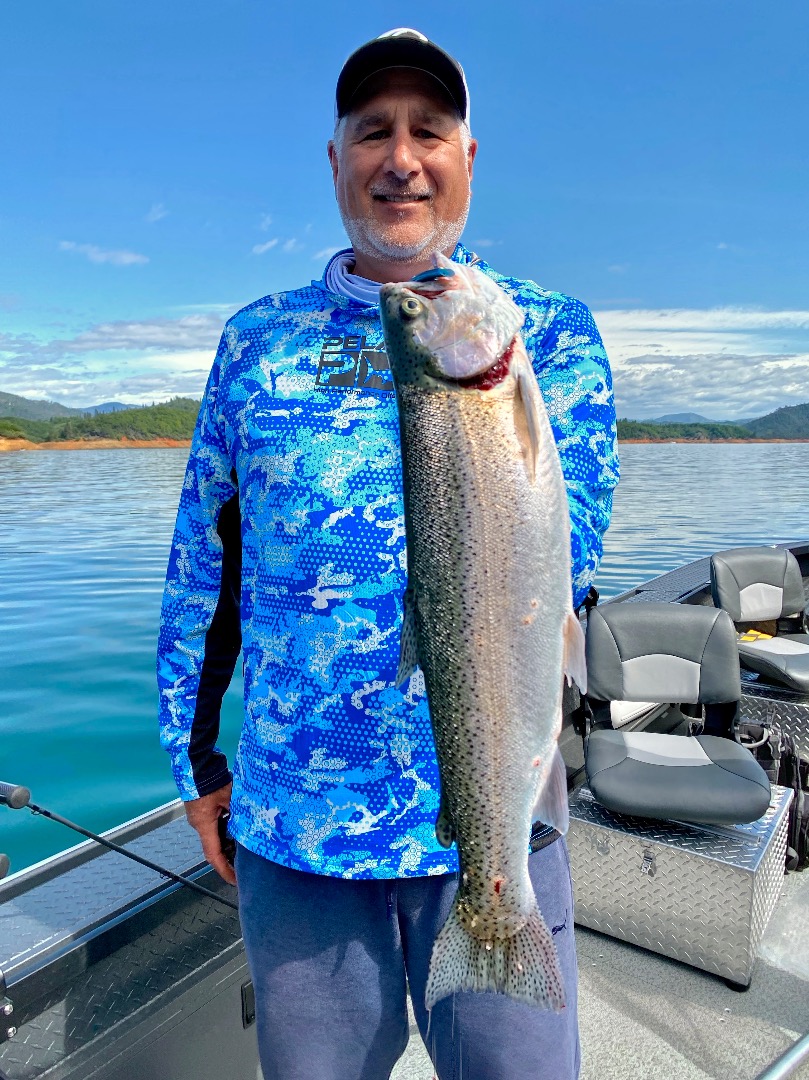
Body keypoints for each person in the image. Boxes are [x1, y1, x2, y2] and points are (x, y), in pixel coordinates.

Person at [158, 27, 619, 1080]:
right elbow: (202, 567)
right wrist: (194, 763)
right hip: (299, 831)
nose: (399, 156)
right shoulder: (256, 341)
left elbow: (569, 546)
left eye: (428, 129)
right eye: (372, 131)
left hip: (498, 822)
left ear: (466, 157)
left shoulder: (545, 333)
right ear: (334, 161)